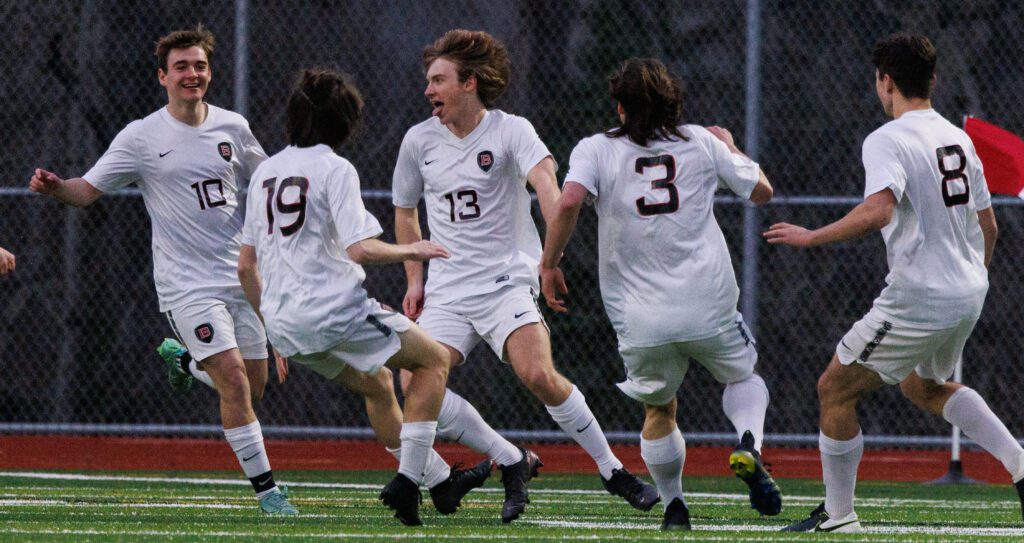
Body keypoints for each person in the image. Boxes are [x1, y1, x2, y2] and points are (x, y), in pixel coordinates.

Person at [392, 29, 659, 524]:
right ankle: (511, 459)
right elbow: (405, 211)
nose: (429, 91)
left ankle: (612, 470)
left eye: (438, 80)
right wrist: (415, 279)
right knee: (413, 382)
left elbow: (546, 183)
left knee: (537, 374)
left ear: (469, 83)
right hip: (448, 290)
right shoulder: (418, 141)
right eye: (429, 81)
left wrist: (550, 256)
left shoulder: (511, 130)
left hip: (505, 281)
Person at [28, 26, 296, 515]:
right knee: (234, 381)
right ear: (162, 77)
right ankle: (269, 493)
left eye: (199, 66)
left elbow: (269, 181)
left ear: (209, 73)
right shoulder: (142, 136)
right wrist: (55, 187)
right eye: (181, 67)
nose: (191, 74)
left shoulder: (233, 127)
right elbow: (86, 191)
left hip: (240, 276)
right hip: (185, 284)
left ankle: (187, 364)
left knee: (254, 388)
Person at [766, 33, 1024, 533]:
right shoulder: (958, 136)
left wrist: (812, 235)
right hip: (968, 289)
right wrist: (972, 279)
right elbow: (987, 225)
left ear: (885, 81)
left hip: (920, 296)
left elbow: (878, 209)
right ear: (933, 79)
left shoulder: (887, 138)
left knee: (834, 389)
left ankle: (839, 516)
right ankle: (1020, 463)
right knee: (925, 386)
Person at [237, 67, 491, 527]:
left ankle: (441, 482)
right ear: (344, 122)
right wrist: (412, 249)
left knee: (377, 383)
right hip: (334, 313)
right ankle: (408, 481)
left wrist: (271, 331)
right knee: (434, 360)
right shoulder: (335, 168)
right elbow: (360, 248)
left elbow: (245, 265)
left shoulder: (266, 173)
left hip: (285, 323)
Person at [539, 58, 782, 530]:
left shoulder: (596, 148)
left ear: (621, 107)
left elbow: (568, 200)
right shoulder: (700, 140)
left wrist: (549, 263)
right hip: (708, 303)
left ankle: (674, 506)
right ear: (674, 105)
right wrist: (730, 146)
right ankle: (749, 443)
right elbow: (762, 192)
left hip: (641, 316)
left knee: (659, 408)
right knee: (743, 377)